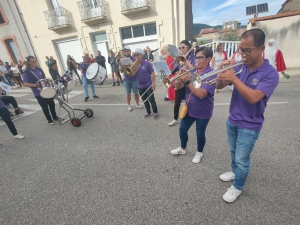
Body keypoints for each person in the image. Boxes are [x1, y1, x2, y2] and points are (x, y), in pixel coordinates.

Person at [216, 29, 279, 203]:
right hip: (232, 120)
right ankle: (235, 173)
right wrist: (222, 73)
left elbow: (253, 98)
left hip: (250, 125)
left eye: (248, 50)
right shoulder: (239, 66)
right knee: (233, 152)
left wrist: (235, 79)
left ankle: (238, 186)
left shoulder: (270, 74)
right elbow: (219, 86)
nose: (243, 55)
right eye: (240, 50)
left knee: (242, 159)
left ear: (261, 48)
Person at [170, 46, 215, 164]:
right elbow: (179, 87)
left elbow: (201, 94)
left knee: (200, 133)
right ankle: (183, 148)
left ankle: (199, 152)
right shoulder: (193, 71)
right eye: (196, 57)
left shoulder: (212, 74)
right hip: (190, 107)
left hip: (203, 109)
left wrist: (187, 81)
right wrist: (179, 79)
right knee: (182, 129)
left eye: (201, 57)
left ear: (209, 59)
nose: (197, 60)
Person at [22, 56, 60, 125]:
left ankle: (55, 117)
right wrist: (37, 85)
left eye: (36, 61)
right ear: (29, 62)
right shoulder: (26, 72)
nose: (35, 62)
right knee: (45, 107)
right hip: (38, 92)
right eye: (33, 61)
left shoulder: (39, 69)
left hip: (46, 90)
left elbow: (44, 78)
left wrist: (49, 83)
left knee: (52, 104)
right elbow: (25, 84)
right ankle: (49, 120)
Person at [168, 40, 195, 126]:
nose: (181, 49)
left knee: (190, 101)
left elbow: (194, 70)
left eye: (183, 47)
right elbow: (176, 68)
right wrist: (168, 73)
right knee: (177, 102)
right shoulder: (179, 58)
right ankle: (175, 118)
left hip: (189, 82)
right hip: (181, 82)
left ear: (188, 47)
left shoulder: (193, 57)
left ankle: (191, 117)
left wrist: (186, 61)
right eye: (180, 48)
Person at [134, 48, 158, 118]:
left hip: (148, 85)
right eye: (135, 55)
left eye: (137, 55)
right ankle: (148, 112)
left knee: (151, 99)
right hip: (140, 86)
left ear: (141, 55)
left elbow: (152, 73)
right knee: (145, 100)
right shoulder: (135, 65)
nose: (136, 57)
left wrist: (153, 83)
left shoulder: (147, 64)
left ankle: (155, 112)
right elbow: (132, 74)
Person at [121, 46, 143, 111]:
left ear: (130, 52)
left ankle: (137, 104)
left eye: (127, 51)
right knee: (128, 93)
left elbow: (137, 68)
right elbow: (121, 71)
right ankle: (128, 105)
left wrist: (132, 69)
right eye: (125, 51)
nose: (126, 52)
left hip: (134, 78)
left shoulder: (134, 59)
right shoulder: (122, 59)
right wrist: (123, 66)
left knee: (136, 93)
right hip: (126, 79)